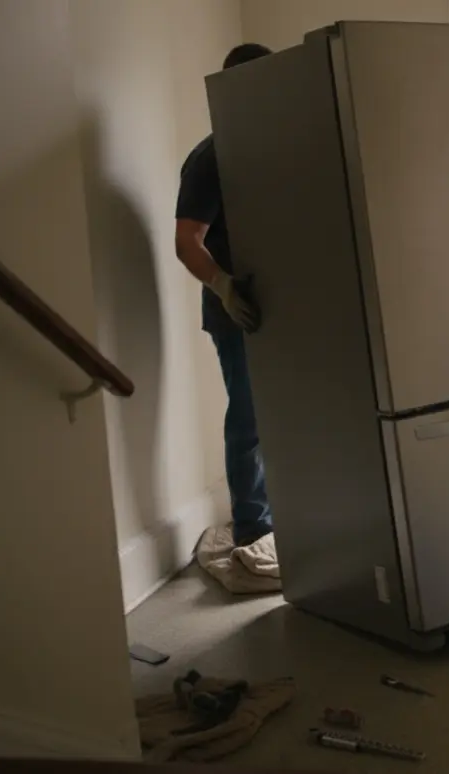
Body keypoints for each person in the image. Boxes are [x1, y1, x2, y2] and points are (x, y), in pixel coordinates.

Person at [173, 43, 274, 546]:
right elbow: (186, 241)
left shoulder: (272, 145)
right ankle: (254, 527)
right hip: (237, 309)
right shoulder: (211, 156)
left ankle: (284, 516)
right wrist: (224, 287)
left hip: (283, 307)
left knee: (284, 415)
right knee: (251, 417)